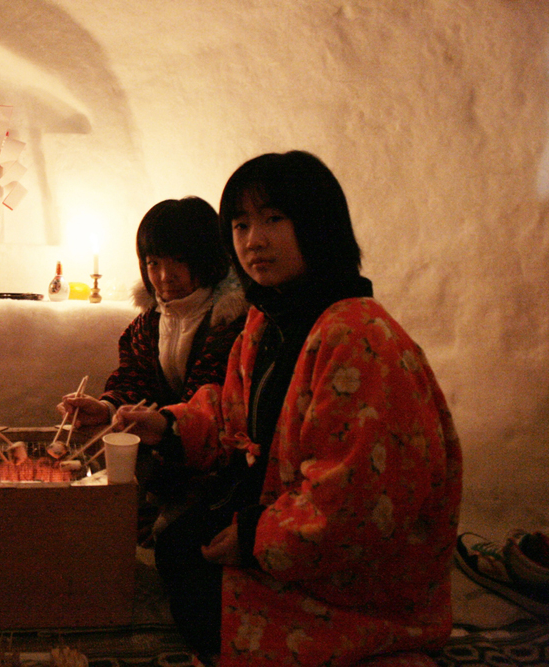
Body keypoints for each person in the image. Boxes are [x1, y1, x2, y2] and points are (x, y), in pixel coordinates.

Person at [116, 151, 462, 667]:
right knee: (179, 546)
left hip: (355, 571)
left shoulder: (359, 337)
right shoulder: (265, 322)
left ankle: (382, 639)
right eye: (240, 224)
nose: (254, 240)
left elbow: (354, 498)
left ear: (319, 225)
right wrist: (166, 423)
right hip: (283, 514)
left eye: (273, 219)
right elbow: (230, 415)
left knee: (199, 598)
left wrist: (255, 537)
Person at [60, 196, 247, 428]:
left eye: (179, 260)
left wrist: (168, 426)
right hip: (161, 448)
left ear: (207, 257)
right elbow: (134, 382)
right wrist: (106, 408)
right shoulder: (146, 325)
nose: (165, 276)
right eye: (153, 263)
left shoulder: (232, 323)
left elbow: (215, 397)